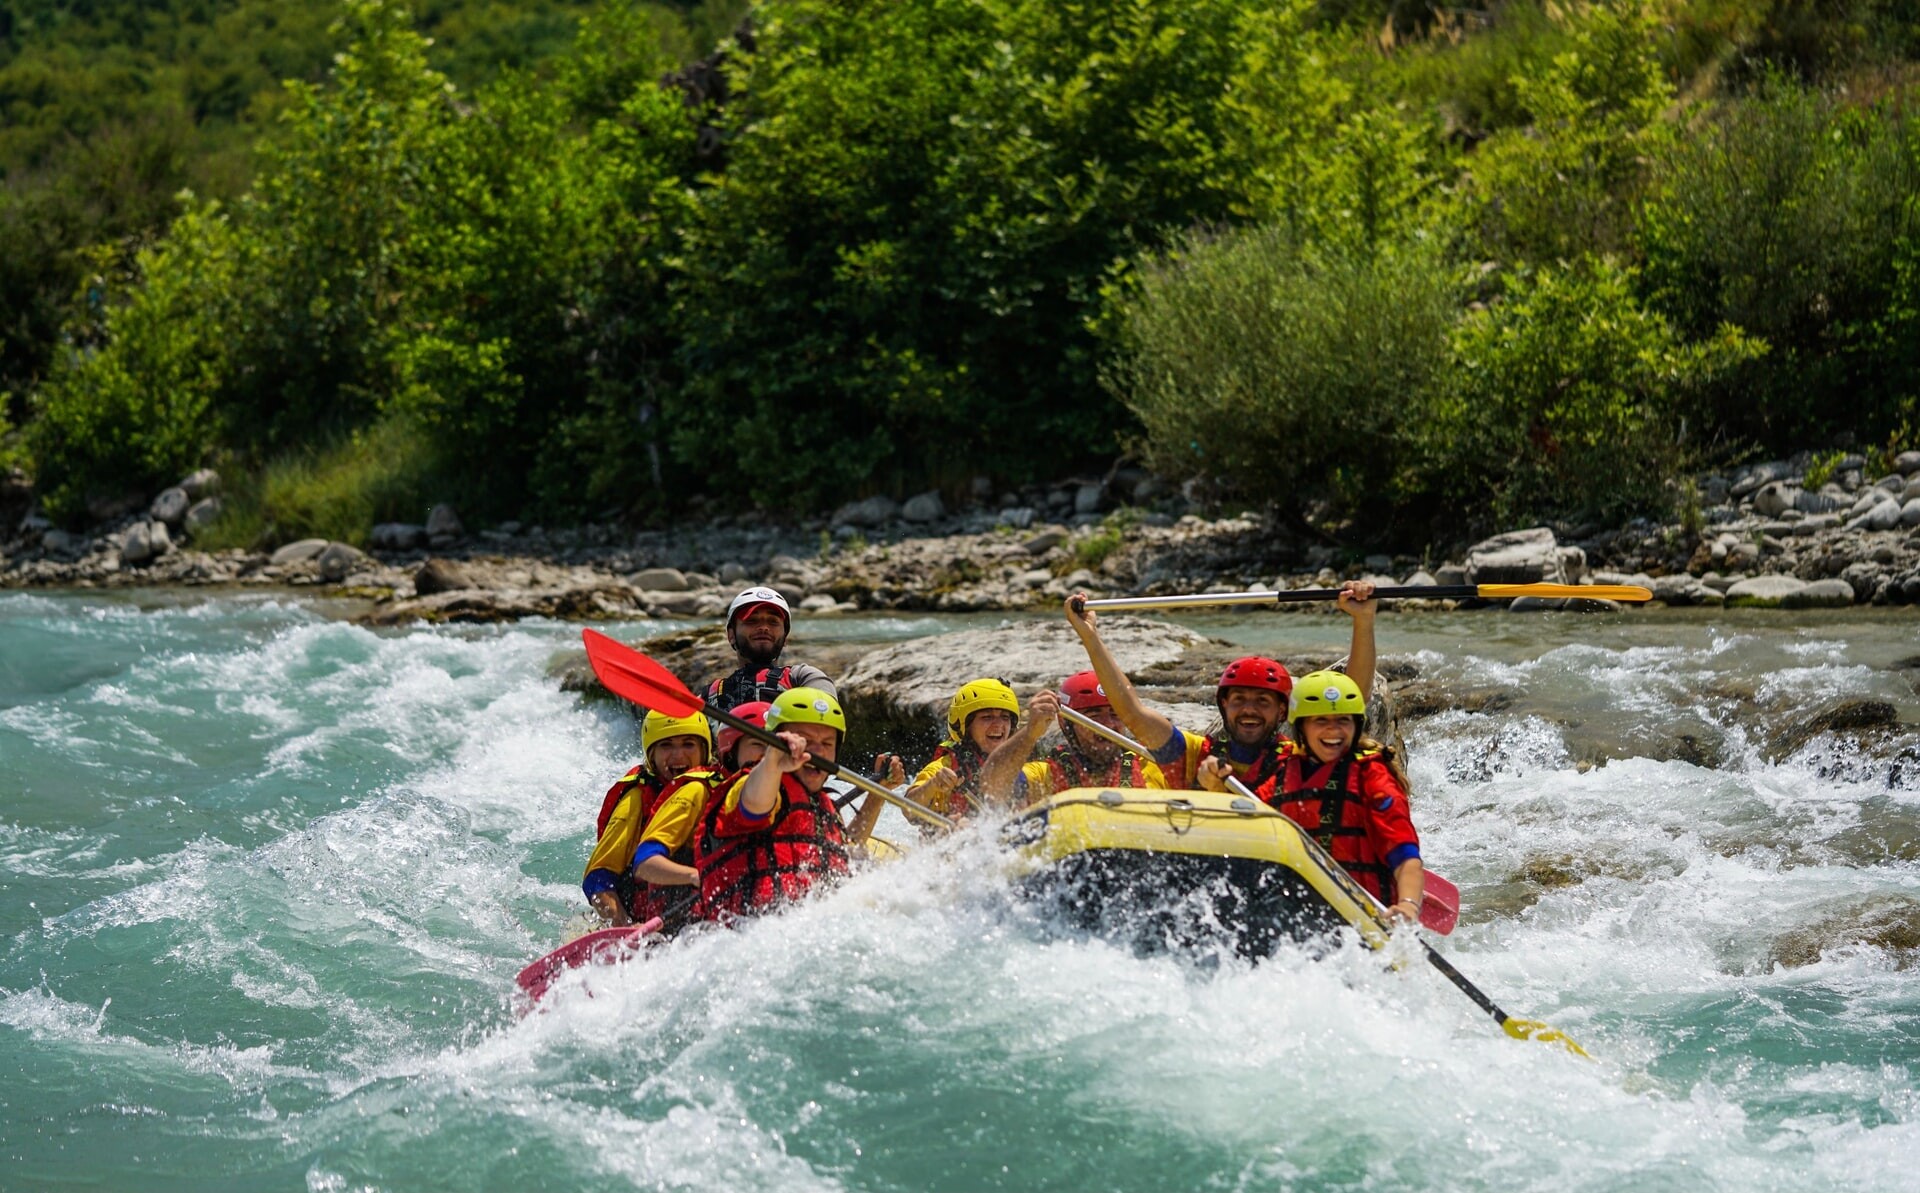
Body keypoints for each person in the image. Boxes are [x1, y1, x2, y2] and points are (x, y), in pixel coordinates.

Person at [1062, 582, 1378, 791]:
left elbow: (1351, 702)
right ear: (1223, 706)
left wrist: (1363, 622)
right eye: (1239, 699)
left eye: (1263, 702)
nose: (1249, 710)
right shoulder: (1190, 753)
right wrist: (1090, 635)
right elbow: (1131, 713)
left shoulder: (1299, 757)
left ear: (1283, 711)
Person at [1247, 669, 1424, 924]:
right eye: (1321, 720)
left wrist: (1408, 905)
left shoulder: (1373, 777)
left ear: (1356, 725)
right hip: (1294, 916)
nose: (1334, 730)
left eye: (1343, 720)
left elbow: (1406, 859)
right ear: (1301, 728)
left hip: (1363, 916)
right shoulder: (1280, 774)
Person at [694, 686, 854, 921]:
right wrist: (772, 762)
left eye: (827, 743)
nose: (818, 752)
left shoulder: (823, 804)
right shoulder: (753, 783)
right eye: (805, 740)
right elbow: (754, 805)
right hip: (746, 935)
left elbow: (847, 858)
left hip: (816, 932)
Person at [622, 701, 775, 923]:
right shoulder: (696, 790)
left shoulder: (786, 789)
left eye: (775, 746)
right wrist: (698, 877)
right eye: (758, 744)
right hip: (682, 925)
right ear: (731, 752)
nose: (769, 754)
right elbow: (644, 862)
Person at [583, 710, 717, 925]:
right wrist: (623, 924)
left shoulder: (717, 787)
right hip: (637, 918)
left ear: (704, 750)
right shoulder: (636, 800)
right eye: (666, 745)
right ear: (651, 755)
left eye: (688, 744)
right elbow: (597, 880)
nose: (678, 755)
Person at [980, 671, 1169, 806]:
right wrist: (1030, 733)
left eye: (1115, 714)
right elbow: (992, 785)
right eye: (1094, 717)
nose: (1108, 725)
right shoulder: (1047, 775)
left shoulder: (1154, 764)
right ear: (1067, 725)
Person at [899, 678, 1023, 830]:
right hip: (950, 843)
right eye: (987, 717)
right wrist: (933, 785)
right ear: (965, 726)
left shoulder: (1018, 764)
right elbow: (908, 810)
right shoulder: (944, 768)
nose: (998, 724)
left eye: (1005, 717)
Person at [706, 587, 837, 712]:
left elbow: (826, 718)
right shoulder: (710, 695)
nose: (764, 627)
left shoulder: (804, 678)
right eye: (752, 621)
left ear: (785, 637)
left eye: (773, 622)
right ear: (731, 635)